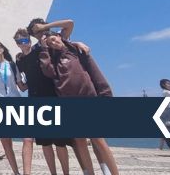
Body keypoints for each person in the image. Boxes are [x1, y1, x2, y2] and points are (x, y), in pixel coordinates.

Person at [38, 30, 118, 175]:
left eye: (54, 39)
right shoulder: (53, 60)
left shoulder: (76, 51)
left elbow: (95, 72)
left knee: (98, 140)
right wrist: (44, 48)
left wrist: (105, 92)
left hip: (87, 99)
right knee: (80, 142)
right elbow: (47, 71)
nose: (53, 43)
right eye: (50, 43)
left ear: (60, 37)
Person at [0, 39, 27, 175]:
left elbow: (21, 86)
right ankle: (16, 172)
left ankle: (27, 171)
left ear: (3, 48)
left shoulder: (11, 65)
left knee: (27, 138)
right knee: (6, 142)